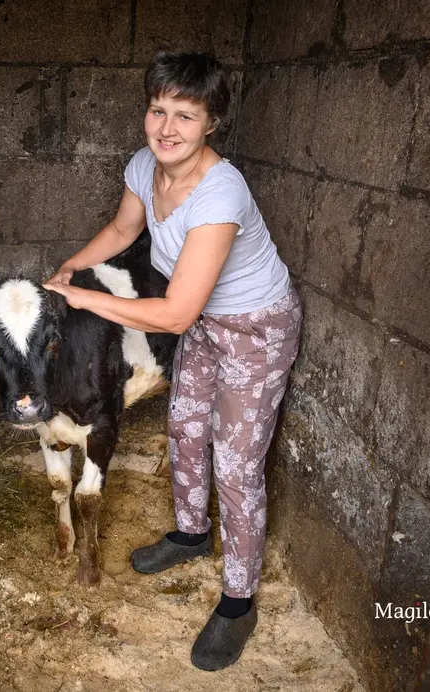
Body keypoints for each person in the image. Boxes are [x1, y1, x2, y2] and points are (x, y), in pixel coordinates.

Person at [43, 50, 302, 671]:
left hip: (255, 327)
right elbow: (121, 231)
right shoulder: (144, 165)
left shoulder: (221, 192)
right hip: (206, 323)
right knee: (185, 426)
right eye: (158, 110)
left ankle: (239, 603)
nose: (167, 128)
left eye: (186, 116)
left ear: (212, 123)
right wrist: (69, 270)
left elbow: (177, 313)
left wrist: (85, 298)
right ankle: (190, 533)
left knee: (237, 465)